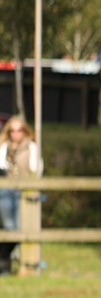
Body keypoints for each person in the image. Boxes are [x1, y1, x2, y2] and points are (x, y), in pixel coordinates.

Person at [0, 116, 43, 273]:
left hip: (24, 191)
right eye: (12, 130)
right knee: (9, 226)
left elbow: (36, 169)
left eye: (19, 130)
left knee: (20, 227)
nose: (15, 134)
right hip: (5, 190)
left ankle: (7, 259)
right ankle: (6, 262)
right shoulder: (4, 146)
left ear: (24, 131)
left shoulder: (31, 147)